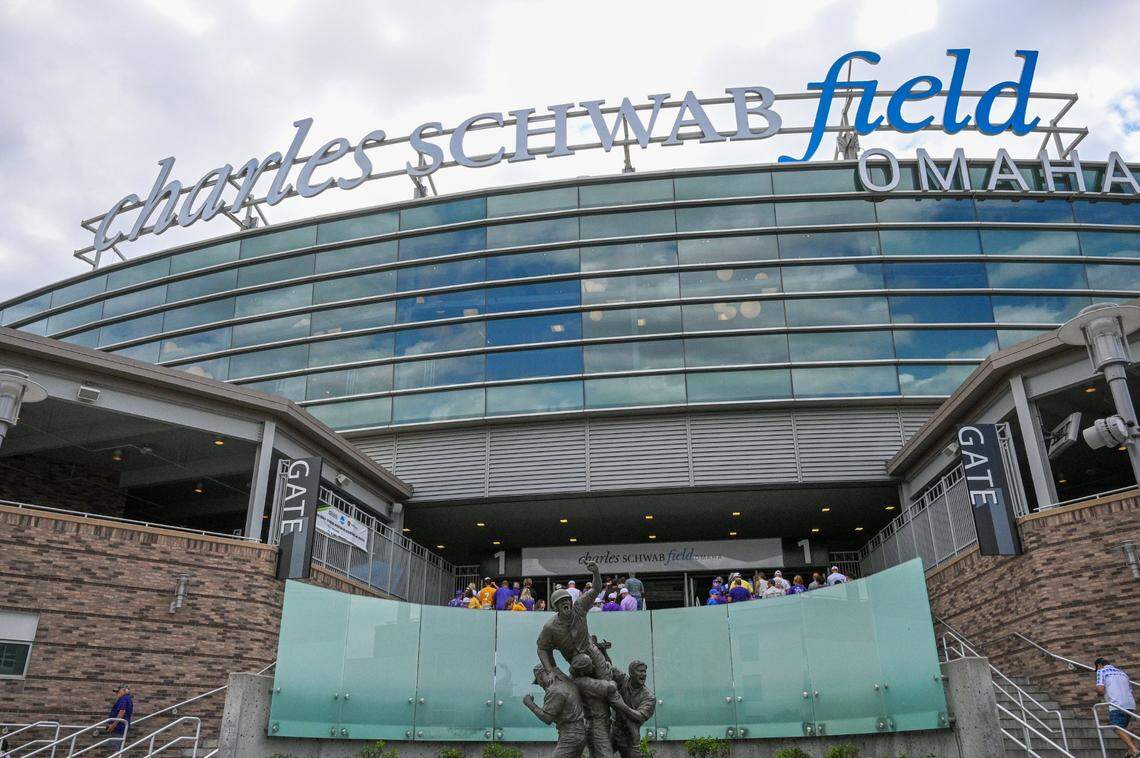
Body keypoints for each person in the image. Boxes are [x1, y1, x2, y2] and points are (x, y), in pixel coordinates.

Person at [537, 561, 609, 678]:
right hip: (576, 659)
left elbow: (596, 588)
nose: (565, 602)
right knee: (584, 668)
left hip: (590, 648)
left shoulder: (579, 607)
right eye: (561, 601)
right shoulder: (550, 627)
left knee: (605, 675)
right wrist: (551, 671)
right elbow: (542, 649)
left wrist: (595, 572)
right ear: (556, 607)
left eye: (567, 599)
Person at [524, 665, 587, 758]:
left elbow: (547, 718)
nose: (540, 685)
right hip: (577, 733)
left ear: (542, 676)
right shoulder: (566, 682)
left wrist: (529, 703)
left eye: (538, 681)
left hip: (571, 736)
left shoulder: (555, 690)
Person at [569, 653, 619, 758]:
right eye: (590, 665)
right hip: (597, 727)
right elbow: (611, 688)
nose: (594, 666)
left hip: (596, 725)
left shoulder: (577, 679)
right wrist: (611, 679)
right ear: (582, 671)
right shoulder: (583, 683)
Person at [610, 660, 656, 758]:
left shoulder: (649, 697)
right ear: (631, 673)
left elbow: (640, 717)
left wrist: (621, 705)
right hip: (613, 730)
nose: (643, 674)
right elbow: (607, 667)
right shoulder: (623, 680)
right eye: (640, 671)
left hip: (630, 736)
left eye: (645, 672)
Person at [1095, 657, 1138, 756]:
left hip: (1116, 703)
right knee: (1123, 728)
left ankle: (1135, 750)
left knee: (1116, 727)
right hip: (1130, 704)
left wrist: (1097, 690)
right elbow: (1130, 690)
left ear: (1099, 665)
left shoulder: (1101, 671)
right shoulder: (1122, 673)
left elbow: (1100, 689)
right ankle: (1130, 751)